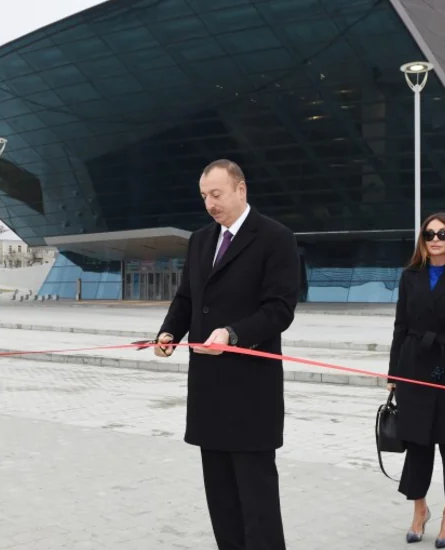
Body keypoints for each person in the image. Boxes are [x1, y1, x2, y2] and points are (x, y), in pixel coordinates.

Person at [153, 159, 300, 550]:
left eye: (216, 194)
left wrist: (233, 334)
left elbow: (280, 309)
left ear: (241, 189)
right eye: (204, 196)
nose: (210, 204)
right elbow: (187, 297)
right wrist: (169, 331)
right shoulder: (200, 240)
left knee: (257, 503)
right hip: (208, 392)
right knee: (220, 500)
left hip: (251, 393)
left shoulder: (275, 238)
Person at [386, 212, 445, 549]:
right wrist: (393, 373)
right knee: (417, 443)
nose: (436, 239)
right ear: (422, 239)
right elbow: (399, 325)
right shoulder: (410, 276)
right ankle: (419, 510)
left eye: (442, 233)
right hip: (413, 365)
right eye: (429, 234)